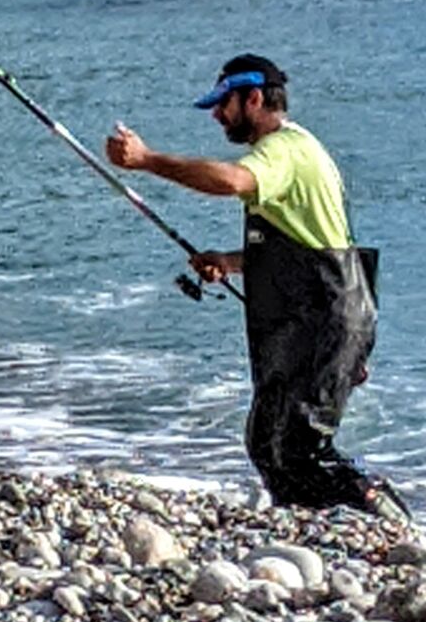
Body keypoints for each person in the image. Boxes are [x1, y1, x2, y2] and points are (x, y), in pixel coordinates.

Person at [106, 54, 406, 519]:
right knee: (267, 441)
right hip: (314, 318)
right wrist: (230, 262)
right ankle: (311, 528)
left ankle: (392, 527)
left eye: (223, 104)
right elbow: (307, 247)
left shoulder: (285, 150)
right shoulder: (292, 152)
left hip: (327, 321)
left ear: (254, 98)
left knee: (300, 448)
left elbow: (232, 182)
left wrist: (147, 160)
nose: (216, 115)